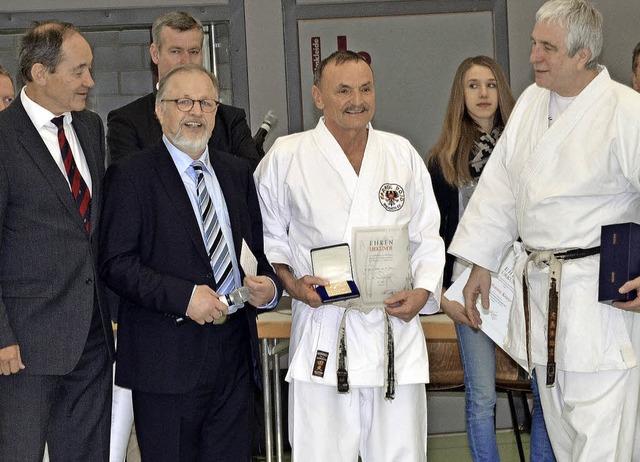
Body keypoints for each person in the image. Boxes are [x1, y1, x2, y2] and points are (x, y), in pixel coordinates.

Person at [448, 1, 640, 460]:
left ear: (583, 54)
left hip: (601, 299)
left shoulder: (625, 109)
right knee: (562, 435)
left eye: (547, 48)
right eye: (534, 43)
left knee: (603, 442)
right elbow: (500, 189)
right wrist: (481, 262)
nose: (533, 56)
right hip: (542, 296)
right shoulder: (533, 102)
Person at [254, 50, 445, 461]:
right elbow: (269, 239)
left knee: (402, 454)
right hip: (325, 326)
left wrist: (424, 292)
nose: (356, 99)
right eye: (343, 90)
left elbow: (428, 236)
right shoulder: (286, 157)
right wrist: (293, 286)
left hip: (392, 329)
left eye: (365, 88)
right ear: (318, 97)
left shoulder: (401, 154)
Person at [99, 63, 282, 462]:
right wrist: (185, 298)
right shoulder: (131, 176)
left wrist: (269, 289)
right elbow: (116, 263)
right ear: (160, 110)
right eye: (183, 102)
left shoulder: (236, 173)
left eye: (206, 103)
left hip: (234, 358)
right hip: (165, 363)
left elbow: (258, 255)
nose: (195, 112)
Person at [428, 55, 555, 462]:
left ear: (503, 91)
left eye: (491, 84)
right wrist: (441, 295)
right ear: (459, 96)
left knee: (544, 393)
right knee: (482, 397)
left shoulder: (529, 151)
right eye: (472, 85)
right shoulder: (442, 160)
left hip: (525, 281)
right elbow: (431, 237)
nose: (483, 94)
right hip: (470, 287)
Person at [0, 20, 115, 461]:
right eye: (79, 70)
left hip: (90, 337)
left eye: (90, 69)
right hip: (23, 346)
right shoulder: (4, 137)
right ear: (40, 73)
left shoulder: (89, 128)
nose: (90, 81)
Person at [107, 11, 260, 169]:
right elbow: (129, 181)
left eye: (193, 52)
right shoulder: (127, 121)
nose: (186, 61)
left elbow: (248, 178)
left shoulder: (230, 120)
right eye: (176, 51)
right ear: (155, 53)